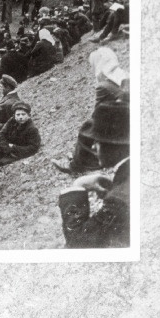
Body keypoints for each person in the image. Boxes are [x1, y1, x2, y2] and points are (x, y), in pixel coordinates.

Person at [58, 100, 129, 248]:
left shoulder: (117, 201)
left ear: (112, 146)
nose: (93, 146)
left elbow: (79, 242)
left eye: (96, 141)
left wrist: (79, 185)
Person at [53, 47, 129, 174]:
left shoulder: (103, 85)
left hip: (120, 118)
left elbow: (98, 110)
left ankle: (76, 166)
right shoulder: (122, 73)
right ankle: (81, 158)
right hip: (125, 112)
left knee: (86, 130)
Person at [0, 102, 42, 182]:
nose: (20, 117)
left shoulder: (32, 129)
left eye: (23, 114)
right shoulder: (12, 121)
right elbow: (2, 133)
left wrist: (13, 148)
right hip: (5, 147)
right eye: (18, 115)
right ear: (14, 115)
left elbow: (33, 148)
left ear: (29, 116)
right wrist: (5, 146)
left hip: (15, 154)